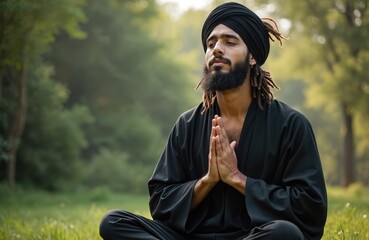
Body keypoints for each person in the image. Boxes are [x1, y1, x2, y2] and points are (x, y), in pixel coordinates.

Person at [99, 2, 327, 240]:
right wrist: (208, 180)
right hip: (192, 236)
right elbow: (160, 201)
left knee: (285, 234)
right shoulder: (187, 125)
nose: (217, 49)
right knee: (114, 222)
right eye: (211, 43)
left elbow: (310, 208)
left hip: (251, 236)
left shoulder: (290, 125)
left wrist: (239, 180)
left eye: (230, 42)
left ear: (253, 57)